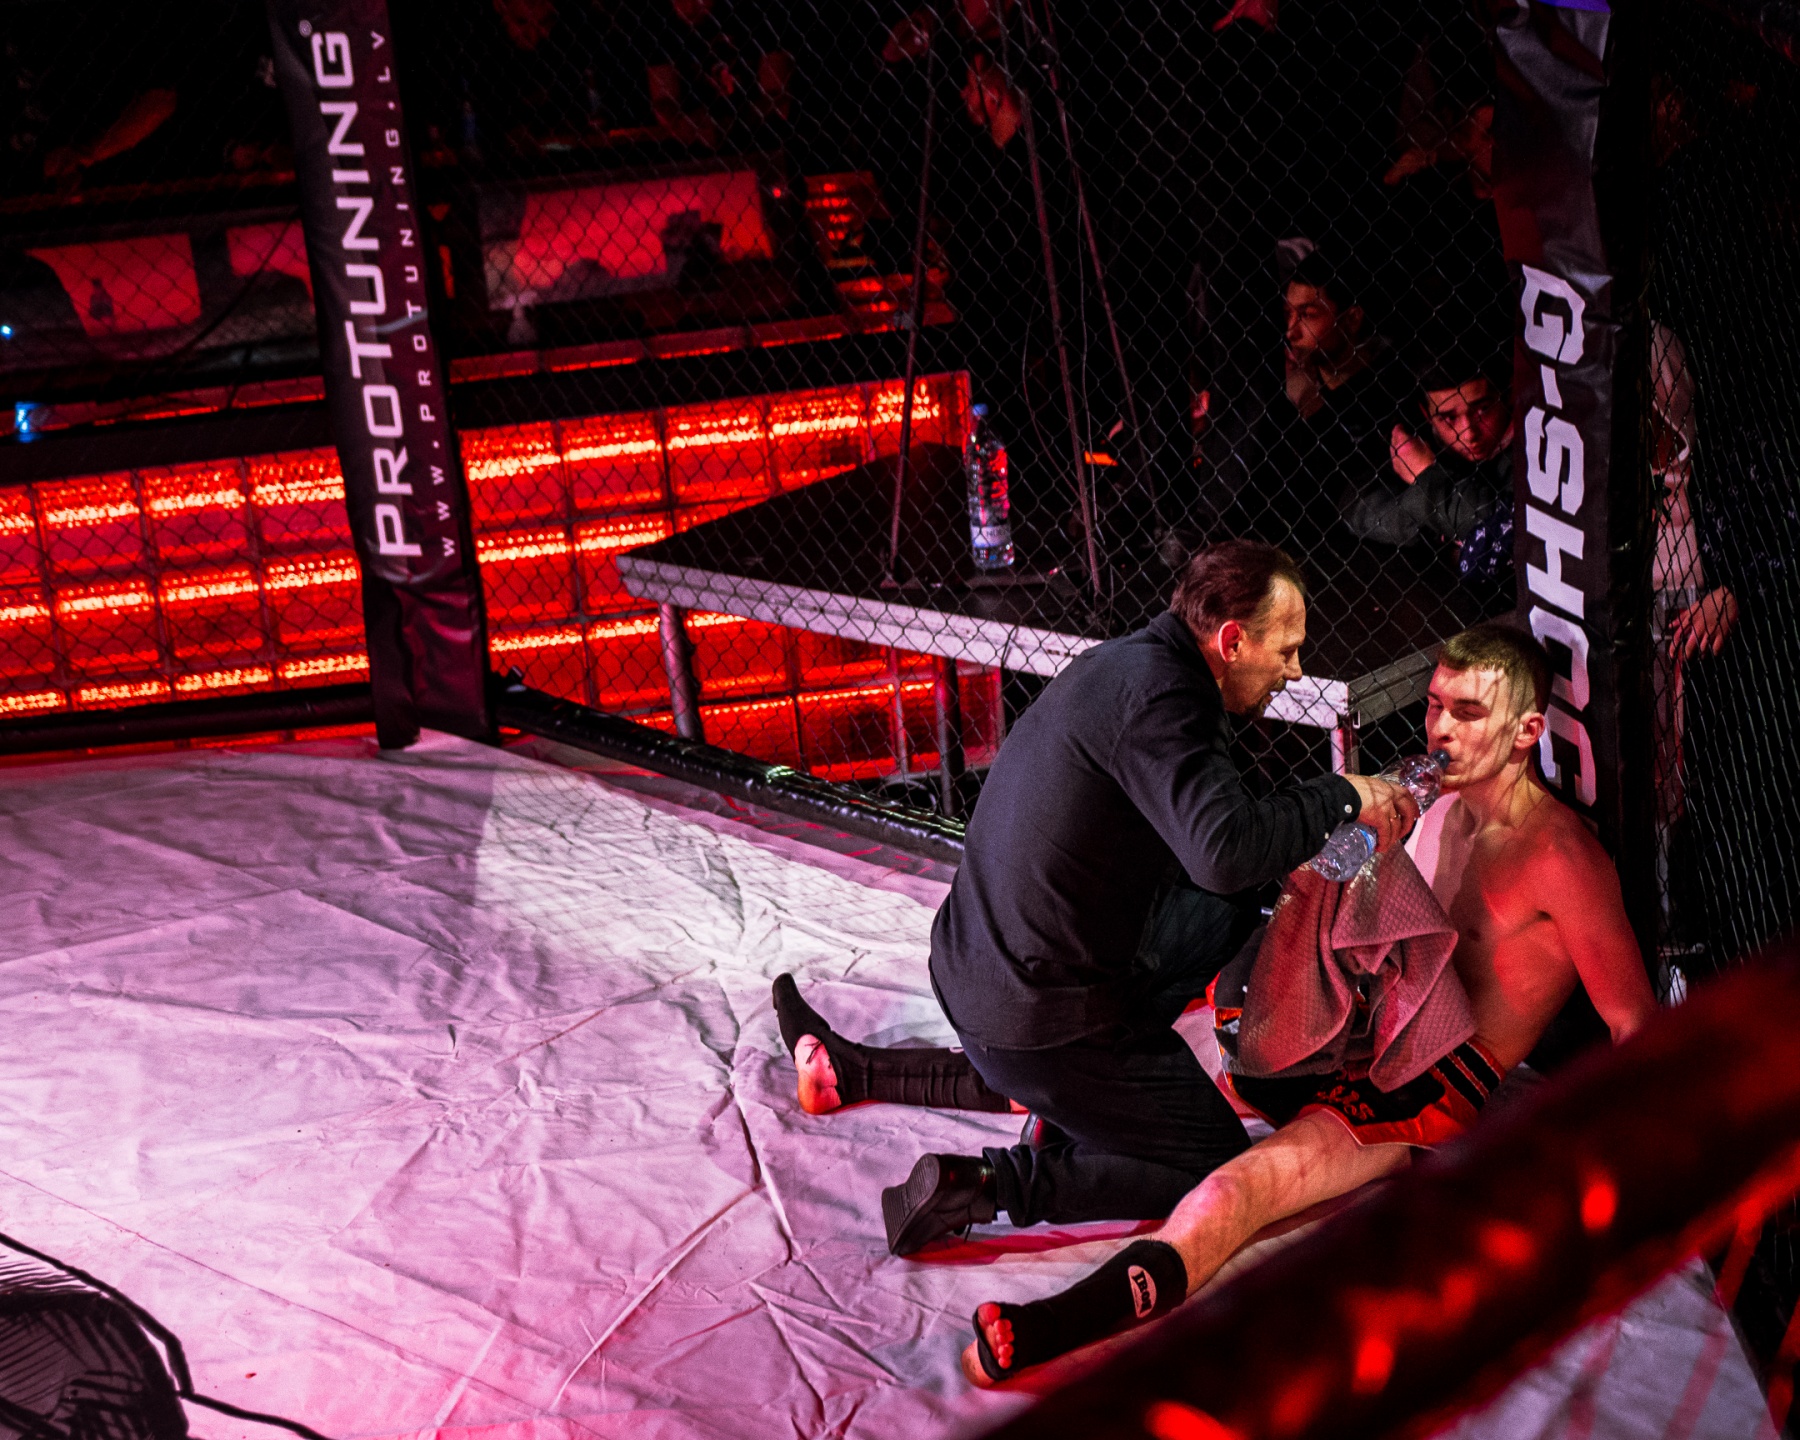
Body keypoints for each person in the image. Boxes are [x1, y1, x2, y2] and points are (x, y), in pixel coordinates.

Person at [960, 623, 1658, 1384]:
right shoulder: (1435, 806)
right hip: (1364, 1026)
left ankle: (1054, 1324)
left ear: (1526, 732)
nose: (1440, 730)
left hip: (1424, 1080)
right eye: (1434, 705)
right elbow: (1368, 922)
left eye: (1467, 712)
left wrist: (1622, 1176)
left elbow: (1635, 1024)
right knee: (1141, 1050)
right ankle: (925, 1103)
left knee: (1242, 1185)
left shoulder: (1562, 857)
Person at [773, 541, 1420, 1256]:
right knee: (1210, 1164)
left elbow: (1220, 863)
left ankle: (857, 1072)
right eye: (1287, 650)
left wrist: (1293, 835)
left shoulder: (1129, 665)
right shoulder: (1169, 703)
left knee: (1222, 910)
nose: (1295, 670)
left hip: (976, 975)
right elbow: (1224, 851)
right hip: (1032, 1017)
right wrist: (1340, 795)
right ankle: (988, 1184)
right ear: (1232, 641)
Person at [1341, 341, 1515, 582]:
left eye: (1482, 409)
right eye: (1448, 418)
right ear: (1427, 414)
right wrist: (1444, 525)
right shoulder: (1413, 436)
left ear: (1508, 395)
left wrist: (1426, 476)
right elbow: (1356, 504)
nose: (1468, 433)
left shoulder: (1536, 444)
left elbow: (1506, 529)